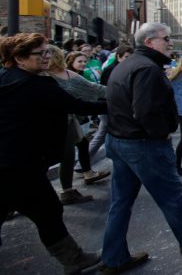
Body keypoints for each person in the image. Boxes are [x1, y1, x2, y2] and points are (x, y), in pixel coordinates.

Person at [102, 23, 182, 273]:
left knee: (121, 202)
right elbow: (145, 111)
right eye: (166, 39)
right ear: (149, 42)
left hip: (121, 140)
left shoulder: (127, 65)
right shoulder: (146, 69)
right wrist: (163, 133)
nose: (170, 42)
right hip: (142, 144)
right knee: (169, 194)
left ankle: (114, 258)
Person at [0, 33, 106, 274]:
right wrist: (112, 106)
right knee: (48, 211)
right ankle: (74, 259)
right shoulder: (38, 84)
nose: (48, 57)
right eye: (41, 54)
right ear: (19, 58)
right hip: (20, 164)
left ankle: (74, 259)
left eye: (48, 51)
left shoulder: (6, 78)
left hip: (12, 161)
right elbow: (76, 105)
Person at [47, 47, 110, 205]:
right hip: (49, 124)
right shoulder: (40, 77)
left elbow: (93, 89)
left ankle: (70, 188)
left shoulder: (66, 75)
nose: (83, 63)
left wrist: (120, 93)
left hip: (67, 120)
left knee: (71, 152)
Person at [89, 45, 133, 163]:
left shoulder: (125, 69)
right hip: (108, 107)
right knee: (101, 135)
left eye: (130, 58)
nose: (128, 60)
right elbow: (107, 90)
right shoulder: (112, 69)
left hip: (116, 107)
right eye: (126, 57)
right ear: (118, 57)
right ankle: (82, 163)